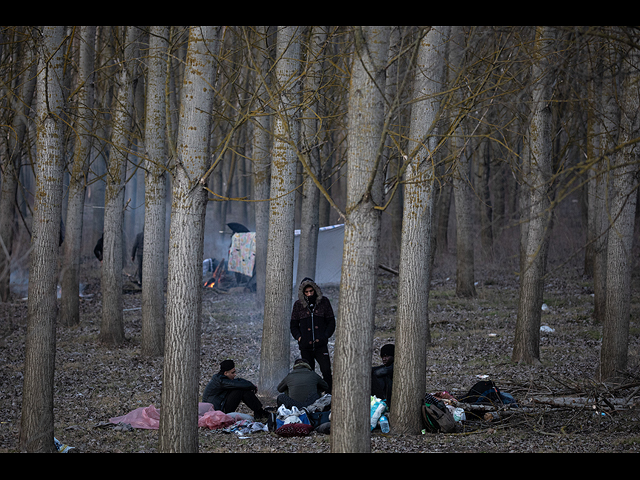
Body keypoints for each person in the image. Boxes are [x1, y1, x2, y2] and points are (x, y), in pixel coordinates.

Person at [290, 277, 336, 393]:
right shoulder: (298, 305)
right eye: (306, 292)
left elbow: (331, 321)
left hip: (321, 344)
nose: (309, 294)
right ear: (302, 292)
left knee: (326, 370)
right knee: (309, 372)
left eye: (311, 291)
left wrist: (325, 336)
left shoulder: (324, 302)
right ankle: (313, 395)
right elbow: (293, 325)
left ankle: (330, 394)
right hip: (306, 346)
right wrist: (300, 338)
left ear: (315, 290)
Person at [202, 360, 270, 420]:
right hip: (216, 412)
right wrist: (252, 386)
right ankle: (260, 413)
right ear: (225, 373)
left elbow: (238, 381)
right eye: (232, 372)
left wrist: (251, 386)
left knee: (242, 389)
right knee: (241, 390)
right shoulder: (220, 381)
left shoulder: (222, 379)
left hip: (220, 406)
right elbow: (238, 384)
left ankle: (260, 412)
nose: (235, 374)